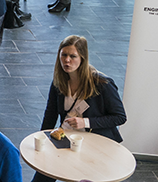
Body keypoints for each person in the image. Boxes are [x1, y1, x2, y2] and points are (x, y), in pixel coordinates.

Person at [34, 36, 126, 182]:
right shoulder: (59, 82)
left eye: (73, 56)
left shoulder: (102, 84)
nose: (67, 60)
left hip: (96, 141)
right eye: (64, 55)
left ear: (82, 58)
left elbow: (120, 117)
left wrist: (86, 122)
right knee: (43, 173)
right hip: (66, 137)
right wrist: (42, 138)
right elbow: (50, 113)